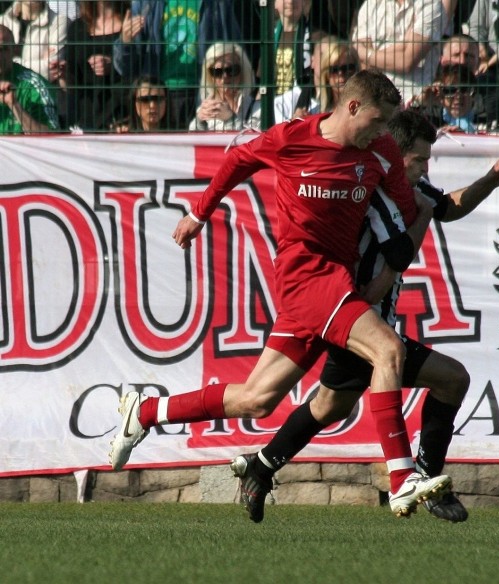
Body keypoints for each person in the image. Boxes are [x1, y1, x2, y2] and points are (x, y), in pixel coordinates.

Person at [108, 69, 451, 519]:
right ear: (351, 107)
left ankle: (147, 411)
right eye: (377, 121)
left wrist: (430, 206)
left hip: (334, 285)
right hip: (305, 278)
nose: (383, 132)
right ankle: (403, 477)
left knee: (257, 398)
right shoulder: (292, 138)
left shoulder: (381, 149)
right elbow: (236, 162)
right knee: (386, 350)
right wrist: (199, 212)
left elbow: (414, 207)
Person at [232, 109, 499, 523]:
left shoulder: (410, 190)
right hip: (355, 316)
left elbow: (448, 207)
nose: (425, 167)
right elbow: (399, 252)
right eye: (419, 159)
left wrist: (490, 180)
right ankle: (422, 479)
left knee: (330, 404)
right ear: (393, 155)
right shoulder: (372, 192)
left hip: (361, 319)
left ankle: (261, 466)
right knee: (451, 378)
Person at [112, 0, 243, 129]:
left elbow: (236, 50)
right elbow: (125, 68)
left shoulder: (217, 3)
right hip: (159, 97)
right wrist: (125, 42)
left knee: (201, 145)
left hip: (205, 94)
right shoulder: (146, 4)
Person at [351, 0, 446, 104]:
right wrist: (405, 43)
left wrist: (366, 54)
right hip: (381, 103)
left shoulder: (430, 4)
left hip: (418, 102)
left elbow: (407, 62)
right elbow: (367, 68)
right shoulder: (370, 6)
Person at [65, 1, 129, 131]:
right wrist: (62, 73)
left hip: (122, 115)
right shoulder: (77, 28)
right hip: (88, 117)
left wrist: (114, 64)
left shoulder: (129, 23)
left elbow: (140, 67)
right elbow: (72, 81)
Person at [273, 35, 358, 123]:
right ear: (312, 60)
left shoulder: (364, 102)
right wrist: (295, 126)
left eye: (348, 68)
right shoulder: (285, 102)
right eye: (334, 69)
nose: (341, 74)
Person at [0, 23, 58, 133]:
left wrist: (14, 105)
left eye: (3, 48)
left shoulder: (34, 85)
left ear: (14, 50)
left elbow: (51, 137)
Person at [189, 42, 259, 132]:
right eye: (217, 72)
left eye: (231, 70)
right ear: (210, 76)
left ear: (243, 72)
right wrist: (199, 121)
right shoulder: (207, 108)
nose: (224, 77)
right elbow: (193, 142)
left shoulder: (257, 109)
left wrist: (230, 119)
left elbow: (253, 141)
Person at [271, 0, 314, 96]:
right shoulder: (269, 37)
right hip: (273, 101)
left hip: (302, 100)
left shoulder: (313, 36)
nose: (290, 1)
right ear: (274, 3)